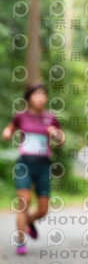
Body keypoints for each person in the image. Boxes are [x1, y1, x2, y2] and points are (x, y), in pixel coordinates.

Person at [1, 83, 65, 255]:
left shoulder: (50, 118)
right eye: (37, 94)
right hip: (25, 164)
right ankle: (21, 241)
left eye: (43, 95)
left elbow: (61, 140)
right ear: (29, 98)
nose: (40, 98)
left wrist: (56, 134)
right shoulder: (21, 116)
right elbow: (10, 128)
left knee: (43, 210)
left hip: (43, 165)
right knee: (24, 201)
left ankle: (29, 221)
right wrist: (7, 133)